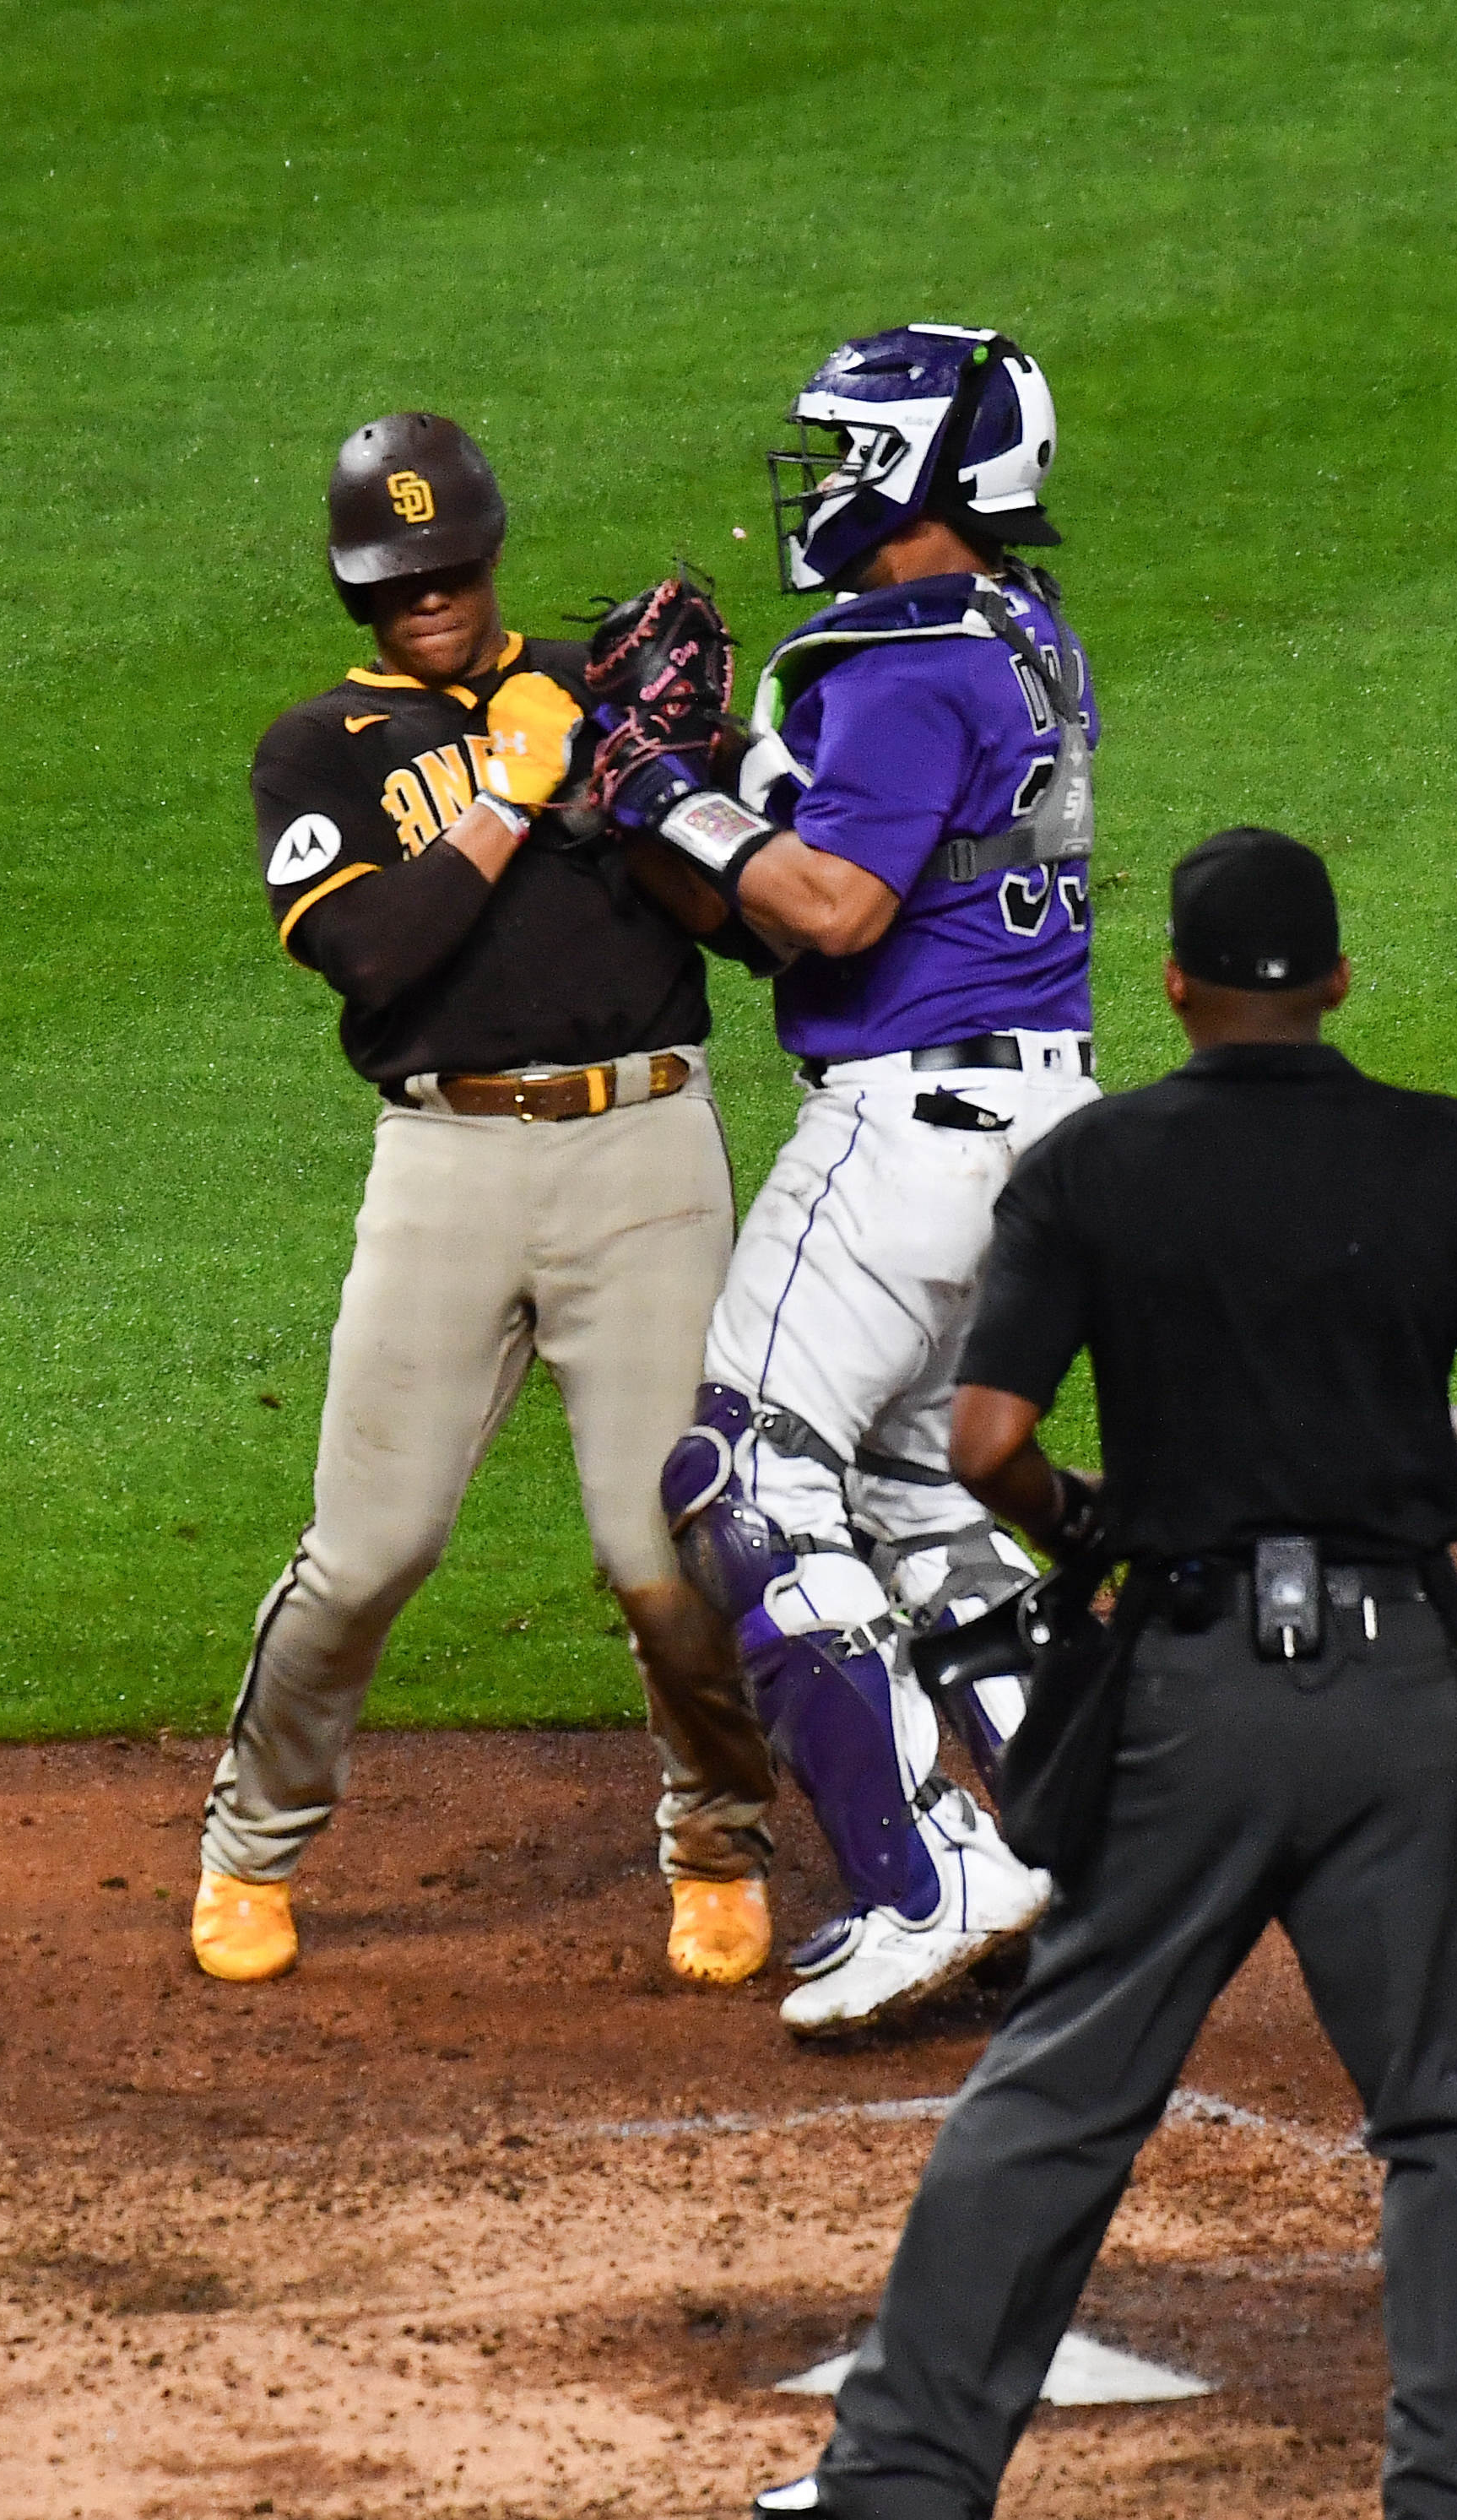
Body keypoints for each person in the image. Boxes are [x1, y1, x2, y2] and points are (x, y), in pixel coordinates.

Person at [750, 826, 1457, 2520]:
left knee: (1064, 2085)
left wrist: (1093, 1513)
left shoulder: (1095, 1164)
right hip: (1394, 1693)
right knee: (1454, 2108)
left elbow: (986, 1438)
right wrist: (1395, 1445)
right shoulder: (1449, 1155)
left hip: (1185, 1691)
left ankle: (902, 2482)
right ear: (1340, 980)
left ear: (1174, 987)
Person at [188, 413, 780, 1993]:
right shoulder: (316, 747)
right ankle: (249, 1844)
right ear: (352, 590)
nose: (426, 596)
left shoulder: (607, 690)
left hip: (645, 1149)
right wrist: (511, 796)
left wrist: (639, 791)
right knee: (370, 1547)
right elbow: (368, 958)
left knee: (665, 1546)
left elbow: (749, 928)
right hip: (446, 1159)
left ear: (488, 550)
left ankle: (717, 1838)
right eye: (396, 578)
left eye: (446, 565)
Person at [589, 324, 1099, 2039]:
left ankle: (923, 1876)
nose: (813, 485)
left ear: (916, 471)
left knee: (739, 1478)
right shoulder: (1011, 634)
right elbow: (868, 827)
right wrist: (733, 767)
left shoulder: (893, 658)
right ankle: (1085, 1853)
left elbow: (832, 909)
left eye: (839, 451)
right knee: (915, 1490)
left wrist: (660, 785)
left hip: (902, 1133)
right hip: (1029, 1131)